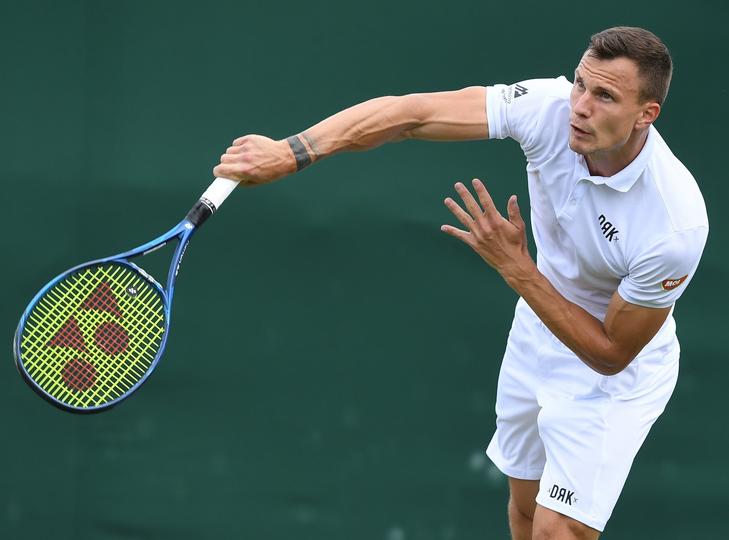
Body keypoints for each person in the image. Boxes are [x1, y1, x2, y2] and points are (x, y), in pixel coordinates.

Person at [213, 26, 708, 539]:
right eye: (580, 84)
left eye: (604, 96)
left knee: (556, 531)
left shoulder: (673, 225)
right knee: (524, 512)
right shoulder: (548, 107)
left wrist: (516, 267)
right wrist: (292, 152)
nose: (580, 106)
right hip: (537, 333)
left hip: (612, 378)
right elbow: (412, 115)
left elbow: (610, 353)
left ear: (646, 114)